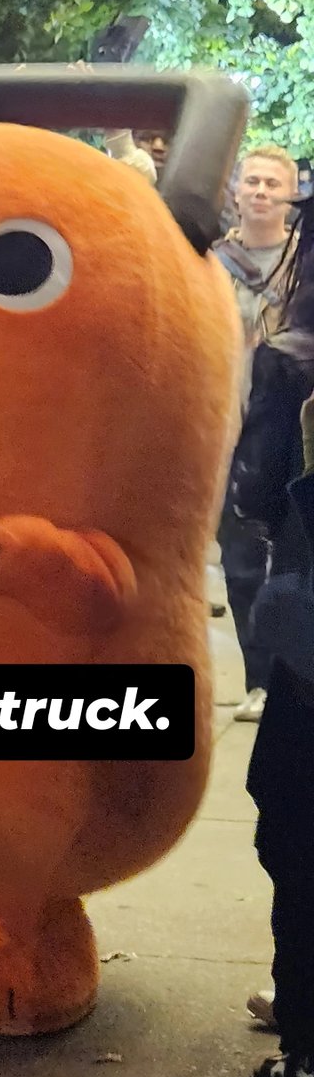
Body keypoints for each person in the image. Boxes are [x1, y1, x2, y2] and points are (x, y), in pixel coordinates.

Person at [241, 225, 314, 1077]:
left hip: (309, 661)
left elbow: (257, 497)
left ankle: (305, 1046)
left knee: (297, 844)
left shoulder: (293, 366)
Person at [215, 145, 299, 721]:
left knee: (297, 557)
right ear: (237, 191)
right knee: (240, 559)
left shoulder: (307, 261)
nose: (262, 190)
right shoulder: (210, 261)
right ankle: (260, 681)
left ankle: (295, 679)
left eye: (273, 182)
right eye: (253, 181)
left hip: (295, 428)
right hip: (227, 425)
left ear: (291, 197)